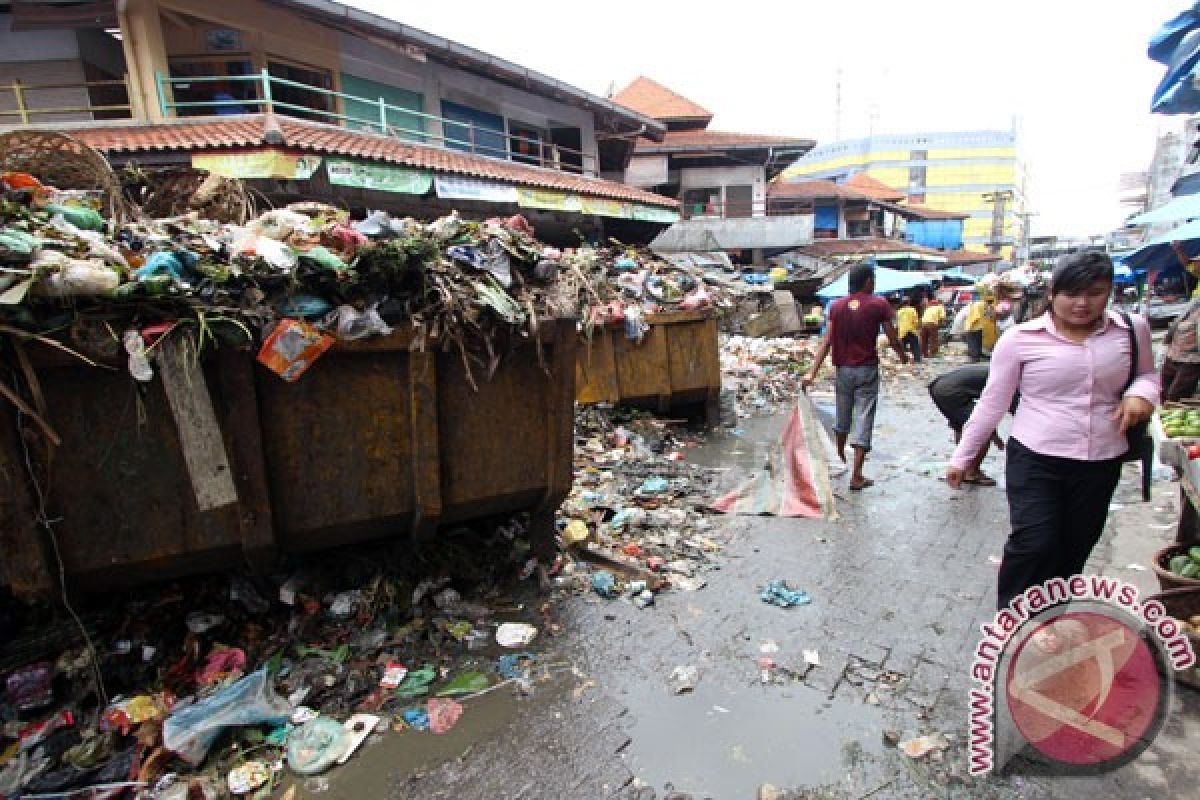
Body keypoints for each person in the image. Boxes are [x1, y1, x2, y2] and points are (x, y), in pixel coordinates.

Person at [945, 251, 1158, 609]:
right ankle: (1013, 617)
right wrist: (962, 457)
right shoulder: (1020, 340)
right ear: (1052, 293)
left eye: (1094, 293)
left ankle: (1052, 612)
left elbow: (1148, 375)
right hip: (1035, 456)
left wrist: (1141, 395)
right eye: (1071, 293)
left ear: (1109, 293)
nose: (1081, 303)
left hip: (1101, 458)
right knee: (1035, 541)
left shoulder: (1132, 330)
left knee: (1077, 544)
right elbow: (993, 402)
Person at [802, 264, 910, 490]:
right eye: (873, 280)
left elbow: (827, 341)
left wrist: (812, 371)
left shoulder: (836, 306)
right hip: (866, 369)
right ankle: (857, 475)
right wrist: (902, 356)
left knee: (842, 416)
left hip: (842, 370)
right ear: (868, 281)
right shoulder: (878, 303)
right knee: (864, 417)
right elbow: (891, 337)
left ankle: (839, 459)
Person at [928, 364, 1015, 487]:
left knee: (961, 427)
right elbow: (1011, 409)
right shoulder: (1012, 380)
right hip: (951, 391)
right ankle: (971, 472)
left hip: (939, 386)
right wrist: (993, 434)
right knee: (981, 430)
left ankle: (964, 466)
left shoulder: (1002, 370)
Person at [1162, 297, 1200, 402]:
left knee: (1175, 395)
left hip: (1190, 361)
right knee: (1163, 392)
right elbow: (1176, 324)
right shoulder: (1194, 302)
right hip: (1172, 355)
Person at [963, 292, 997, 362]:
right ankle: (978, 355)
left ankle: (974, 358)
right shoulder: (985, 305)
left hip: (973, 326)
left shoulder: (977, 304)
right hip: (980, 326)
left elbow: (975, 316)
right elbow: (989, 315)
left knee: (972, 342)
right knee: (978, 342)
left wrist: (970, 326)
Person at [896, 297, 922, 364]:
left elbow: (897, 322)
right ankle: (917, 360)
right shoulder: (912, 309)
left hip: (902, 331)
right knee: (915, 345)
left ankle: (904, 360)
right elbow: (915, 321)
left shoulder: (899, 311)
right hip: (911, 330)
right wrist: (917, 327)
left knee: (903, 347)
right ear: (908, 302)